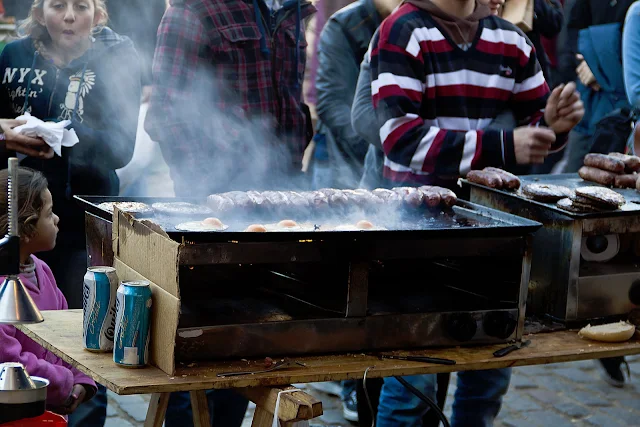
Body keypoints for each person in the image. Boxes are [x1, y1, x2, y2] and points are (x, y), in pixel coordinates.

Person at [369, 0, 584, 425]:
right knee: (415, 378)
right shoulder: (404, 30)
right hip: (414, 227)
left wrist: (554, 126)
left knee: (489, 369)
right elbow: (400, 139)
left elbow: (534, 126)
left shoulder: (511, 39)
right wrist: (506, 144)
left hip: (489, 226)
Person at [0, 0, 141, 311]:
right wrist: (5, 136)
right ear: (39, 12)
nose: (69, 16)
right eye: (58, 6)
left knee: (81, 311)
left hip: (87, 216)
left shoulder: (117, 58)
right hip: (21, 218)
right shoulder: (14, 55)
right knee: (18, 318)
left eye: (81, 6)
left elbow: (121, 149)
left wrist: (64, 133)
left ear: (97, 13)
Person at [146, 0, 317, 197]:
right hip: (217, 192)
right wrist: (204, 185)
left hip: (285, 189)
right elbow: (166, 112)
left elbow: (292, 98)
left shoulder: (291, 9)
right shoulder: (193, 9)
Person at [0, 166, 98, 416]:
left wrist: (81, 379)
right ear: (27, 228)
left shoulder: (43, 271)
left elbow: (67, 336)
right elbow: (10, 364)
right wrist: (63, 382)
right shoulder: (4, 290)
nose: (56, 219)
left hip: (52, 412)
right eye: (49, 213)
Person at [311, 0, 400, 192]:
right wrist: (382, 146)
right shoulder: (345, 25)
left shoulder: (418, 24)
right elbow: (331, 103)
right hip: (340, 160)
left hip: (390, 161)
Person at [557, 0, 636, 172]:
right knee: (576, 165)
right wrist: (583, 64)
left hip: (625, 96)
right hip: (588, 91)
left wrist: (600, 68)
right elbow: (572, 31)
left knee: (618, 172)